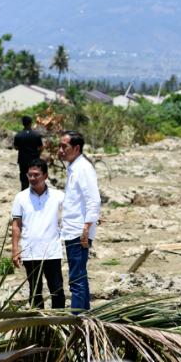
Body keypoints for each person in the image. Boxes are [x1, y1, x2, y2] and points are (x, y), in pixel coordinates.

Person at [11, 158, 65, 309]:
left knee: (57, 290)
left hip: (52, 252)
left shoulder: (58, 196)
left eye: (36, 175)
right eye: (30, 175)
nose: (33, 178)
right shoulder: (20, 197)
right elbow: (16, 225)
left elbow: (74, 211)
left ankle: (58, 324)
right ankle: (37, 328)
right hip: (30, 251)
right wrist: (15, 250)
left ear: (45, 176)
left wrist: (92, 216)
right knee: (35, 291)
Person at [58, 130, 100, 311]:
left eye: (64, 146)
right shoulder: (74, 167)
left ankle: (76, 319)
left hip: (78, 231)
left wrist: (86, 228)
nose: (60, 150)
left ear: (76, 148)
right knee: (79, 276)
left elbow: (94, 199)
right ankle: (85, 317)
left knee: (76, 279)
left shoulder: (83, 168)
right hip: (73, 229)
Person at [13, 116, 43, 190]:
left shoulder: (18, 135)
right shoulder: (37, 135)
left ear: (23, 123)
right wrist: (38, 153)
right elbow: (41, 147)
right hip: (34, 160)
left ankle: (24, 192)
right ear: (30, 123)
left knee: (24, 178)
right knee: (35, 176)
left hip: (23, 160)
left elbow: (16, 147)